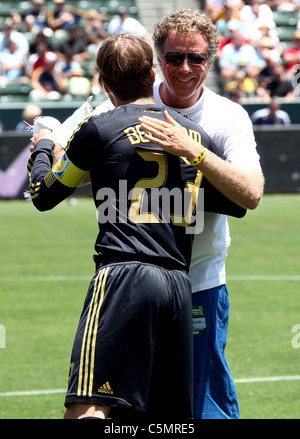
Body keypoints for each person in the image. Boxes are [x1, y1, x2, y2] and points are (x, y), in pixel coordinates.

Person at [27, 34, 242, 419]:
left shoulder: (100, 129)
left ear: (104, 83)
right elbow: (234, 202)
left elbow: (44, 194)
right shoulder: (193, 136)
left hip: (122, 277)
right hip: (179, 285)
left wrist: (45, 141)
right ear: (151, 72)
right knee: (166, 421)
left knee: (89, 407)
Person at [137, 9, 264, 419]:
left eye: (196, 58)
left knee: (204, 401)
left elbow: (252, 193)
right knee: (137, 400)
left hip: (201, 281)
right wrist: (49, 137)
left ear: (211, 59)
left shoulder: (229, 116)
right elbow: (75, 154)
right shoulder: (129, 105)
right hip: (140, 281)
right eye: (175, 58)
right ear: (159, 59)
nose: (185, 68)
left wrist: (192, 149)